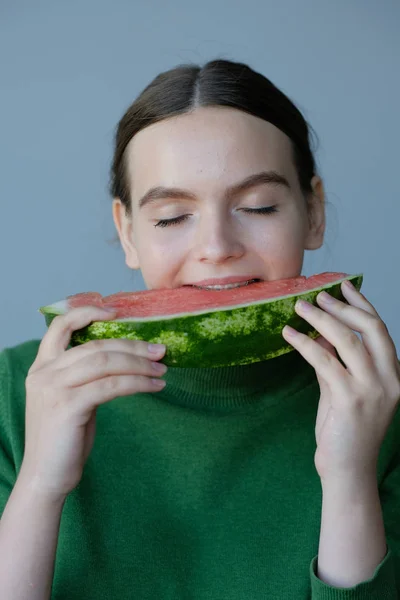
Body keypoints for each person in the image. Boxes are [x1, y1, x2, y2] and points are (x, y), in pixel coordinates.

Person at [0, 58, 399, 600]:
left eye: (258, 206)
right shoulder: (14, 393)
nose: (217, 247)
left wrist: (350, 479)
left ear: (313, 211)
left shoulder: (385, 402)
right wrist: (40, 488)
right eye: (170, 217)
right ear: (127, 231)